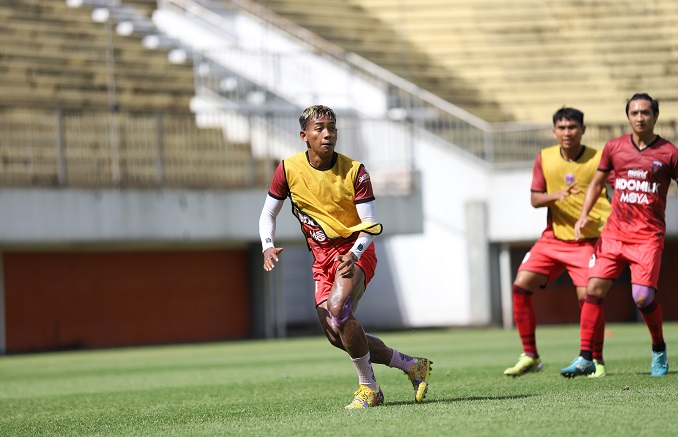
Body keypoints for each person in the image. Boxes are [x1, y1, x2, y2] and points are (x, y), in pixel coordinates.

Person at [258, 105, 432, 409]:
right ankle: (411, 365)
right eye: (320, 128)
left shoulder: (355, 171)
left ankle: (369, 389)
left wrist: (354, 254)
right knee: (337, 335)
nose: (327, 134)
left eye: (332, 128)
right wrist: (267, 245)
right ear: (304, 135)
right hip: (322, 259)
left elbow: (370, 226)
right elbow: (268, 213)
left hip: (355, 252)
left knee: (338, 310)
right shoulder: (287, 169)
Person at [561, 93, 678, 378]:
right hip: (613, 235)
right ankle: (585, 357)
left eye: (645, 113)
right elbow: (598, 181)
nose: (640, 118)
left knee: (641, 298)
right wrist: (585, 213)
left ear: (655, 116)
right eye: (634, 113)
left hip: (647, 237)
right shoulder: (614, 148)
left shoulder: (669, 152)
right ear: (628, 116)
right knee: (593, 290)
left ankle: (658, 347)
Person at [503, 107, 611, 378]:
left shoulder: (599, 159)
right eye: (561, 128)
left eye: (572, 127)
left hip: (587, 241)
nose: (567, 133)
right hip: (553, 239)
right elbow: (535, 199)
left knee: (589, 298)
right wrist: (557, 195)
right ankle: (530, 355)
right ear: (554, 131)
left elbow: (614, 192)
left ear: (583, 130)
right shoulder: (545, 158)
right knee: (520, 287)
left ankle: (594, 358)